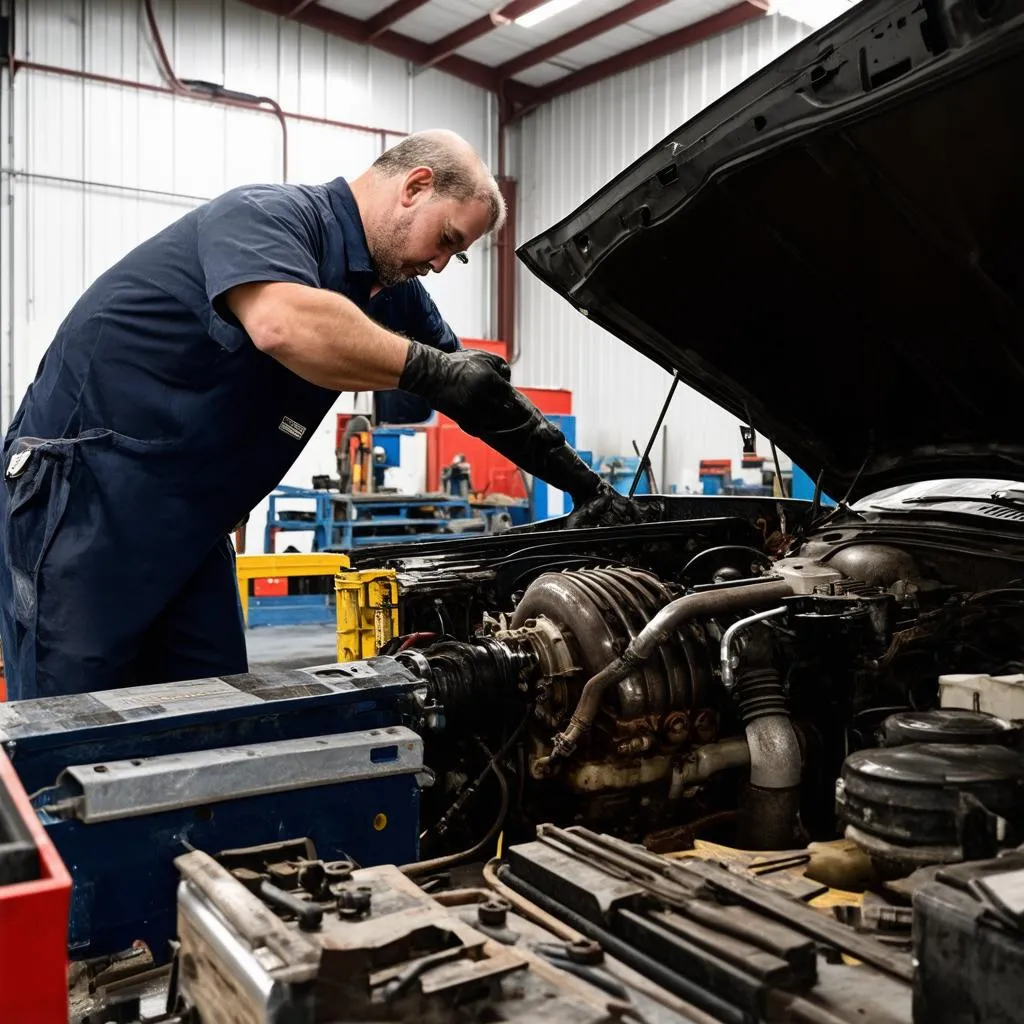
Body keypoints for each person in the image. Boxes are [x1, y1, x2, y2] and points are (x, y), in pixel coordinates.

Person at [0, 130, 634, 700]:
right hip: (83, 500)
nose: (441, 263)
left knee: (212, 712)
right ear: (415, 186)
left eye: (458, 255)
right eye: (446, 240)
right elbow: (282, 323)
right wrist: (433, 370)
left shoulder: (392, 294)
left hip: (191, 525)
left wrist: (586, 485)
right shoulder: (269, 217)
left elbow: (475, 395)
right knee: (70, 726)